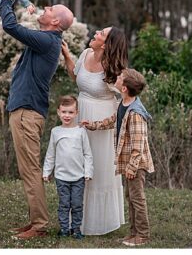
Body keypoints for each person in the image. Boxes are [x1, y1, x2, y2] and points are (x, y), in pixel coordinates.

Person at [0, 0, 74, 240]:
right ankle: (35, 221)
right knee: (27, 168)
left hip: (27, 114)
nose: (47, 7)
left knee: (30, 169)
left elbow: (11, 26)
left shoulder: (48, 41)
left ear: (55, 22)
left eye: (52, 8)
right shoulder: (47, 40)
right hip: (26, 111)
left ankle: (39, 225)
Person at [58, 25, 129, 235]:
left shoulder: (113, 69)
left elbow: (126, 97)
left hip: (101, 121)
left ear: (107, 44)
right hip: (81, 114)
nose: (95, 34)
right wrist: (66, 54)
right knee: (78, 164)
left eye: (101, 34)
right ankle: (76, 219)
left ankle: (99, 222)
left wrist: (113, 120)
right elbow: (75, 76)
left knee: (97, 168)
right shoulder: (86, 53)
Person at [82, 69, 154, 247]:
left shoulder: (136, 113)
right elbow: (112, 120)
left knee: (137, 198)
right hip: (129, 162)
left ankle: (142, 235)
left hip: (135, 164)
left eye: (120, 78)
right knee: (131, 197)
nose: (116, 79)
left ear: (124, 88)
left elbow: (138, 145)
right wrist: (92, 125)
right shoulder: (124, 105)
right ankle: (133, 233)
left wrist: (132, 167)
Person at [43, 95, 93, 239]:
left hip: (78, 177)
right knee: (64, 204)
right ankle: (64, 229)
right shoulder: (56, 132)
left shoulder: (81, 131)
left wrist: (88, 171)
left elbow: (87, 154)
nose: (67, 115)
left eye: (70, 112)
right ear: (58, 112)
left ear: (76, 113)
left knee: (77, 204)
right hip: (61, 177)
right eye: (64, 112)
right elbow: (50, 154)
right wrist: (46, 171)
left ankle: (76, 229)